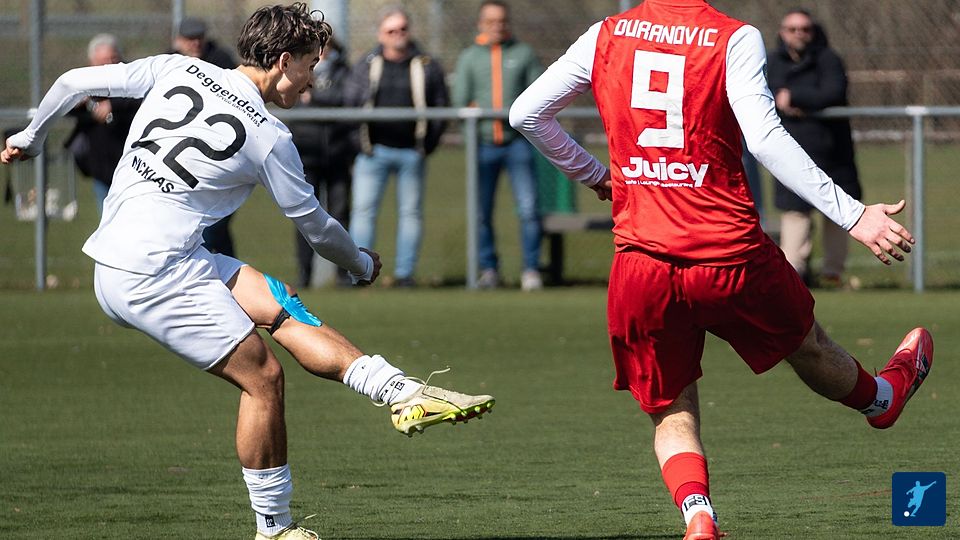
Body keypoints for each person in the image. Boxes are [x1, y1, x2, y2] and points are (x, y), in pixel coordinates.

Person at [2, 4, 494, 539]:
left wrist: (32, 137)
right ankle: (275, 528)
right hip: (154, 272)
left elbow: (74, 81)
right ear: (283, 61)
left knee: (277, 302)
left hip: (148, 256)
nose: (311, 81)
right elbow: (317, 229)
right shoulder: (268, 135)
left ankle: (400, 392)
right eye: (309, 65)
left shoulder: (177, 67)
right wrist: (359, 262)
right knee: (263, 379)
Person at [509, 1, 932, 539]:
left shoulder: (605, 34)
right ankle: (881, 399)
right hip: (729, 254)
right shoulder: (733, 37)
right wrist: (853, 215)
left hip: (643, 261)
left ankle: (699, 517)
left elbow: (525, 114)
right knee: (808, 347)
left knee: (671, 406)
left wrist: (593, 174)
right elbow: (765, 138)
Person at [344, 6, 448, 288]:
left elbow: (441, 104)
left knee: (411, 214)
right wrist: (359, 143)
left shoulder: (426, 64)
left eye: (402, 29)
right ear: (381, 34)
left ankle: (405, 274)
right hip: (372, 151)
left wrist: (427, 144)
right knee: (363, 212)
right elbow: (350, 103)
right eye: (391, 30)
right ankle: (359, 273)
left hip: (411, 152)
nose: (397, 35)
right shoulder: (367, 63)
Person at [453, 0, 545, 291]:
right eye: (491, 21)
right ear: (481, 24)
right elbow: (460, 101)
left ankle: (531, 269)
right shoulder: (469, 57)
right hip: (482, 146)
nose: (497, 27)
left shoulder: (524, 53)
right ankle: (488, 269)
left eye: (502, 21)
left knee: (529, 209)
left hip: (518, 144)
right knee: (481, 211)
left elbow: (538, 95)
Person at [768, 9, 862, 288]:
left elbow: (833, 92)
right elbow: (768, 92)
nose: (799, 34)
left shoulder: (828, 59)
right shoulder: (773, 61)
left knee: (839, 210)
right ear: (782, 32)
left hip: (832, 151)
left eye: (805, 29)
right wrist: (788, 101)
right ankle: (794, 276)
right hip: (791, 149)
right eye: (792, 29)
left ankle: (833, 274)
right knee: (795, 213)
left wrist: (794, 97)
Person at [289, 37, 357, 288]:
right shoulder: (298, 68)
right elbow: (294, 97)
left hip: (338, 153)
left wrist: (315, 96)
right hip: (307, 153)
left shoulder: (344, 70)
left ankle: (343, 275)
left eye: (325, 47)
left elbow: (345, 98)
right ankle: (304, 274)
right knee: (305, 216)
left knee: (340, 214)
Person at [172, 15, 241, 257]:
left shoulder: (221, 60)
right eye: (190, 38)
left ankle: (224, 268)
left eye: (199, 38)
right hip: (181, 156)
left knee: (214, 226)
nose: (195, 43)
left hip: (217, 151)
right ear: (178, 40)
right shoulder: (169, 62)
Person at [64, 34, 141, 214]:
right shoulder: (85, 82)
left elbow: (140, 100)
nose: (110, 64)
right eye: (103, 61)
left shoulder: (131, 79)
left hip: (132, 164)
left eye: (114, 59)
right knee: (106, 217)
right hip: (101, 166)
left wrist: (112, 105)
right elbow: (65, 109)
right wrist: (77, 103)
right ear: (92, 63)